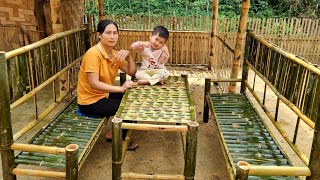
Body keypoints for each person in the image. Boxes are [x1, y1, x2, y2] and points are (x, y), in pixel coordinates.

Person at [77, 19, 137, 150]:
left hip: (103, 95)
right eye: (108, 33)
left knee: (134, 99)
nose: (112, 36)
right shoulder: (93, 54)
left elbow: (132, 72)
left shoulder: (115, 54)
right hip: (89, 102)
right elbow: (94, 83)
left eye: (115, 33)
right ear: (99, 35)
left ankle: (113, 134)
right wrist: (120, 88)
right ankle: (119, 138)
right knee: (130, 108)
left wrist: (129, 55)